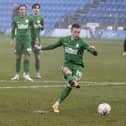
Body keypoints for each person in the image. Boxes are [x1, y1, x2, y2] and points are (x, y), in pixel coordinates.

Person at [35, 24, 98, 113]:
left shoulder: (82, 42)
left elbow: (94, 53)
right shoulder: (64, 40)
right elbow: (53, 45)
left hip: (78, 66)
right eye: (75, 32)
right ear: (71, 31)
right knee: (65, 70)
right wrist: (41, 48)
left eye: (78, 32)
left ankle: (56, 104)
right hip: (67, 64)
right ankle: (72, 81)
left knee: (69, 85)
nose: (77, 34)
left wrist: (94, 50)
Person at [10, 4, 38, 81]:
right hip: (18, 41)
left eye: (24, 9)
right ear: (19, 10)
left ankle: (26, 74)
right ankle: (17, 75)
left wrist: (36, 39)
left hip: (27, 41)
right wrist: (12, 39)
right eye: (21, 9)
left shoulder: (30, 18)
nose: (22, 11)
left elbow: (34, 30)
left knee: (27, 58)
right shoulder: (15, 19)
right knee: (18, 58)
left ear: (26, 10)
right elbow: (13, 30)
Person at [30, 3, 44, 79]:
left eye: (38, 8)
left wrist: (40, 26)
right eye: (35, 8)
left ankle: (37, 73)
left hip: (37, 40)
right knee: (27, 56)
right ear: (32, 9)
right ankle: (27, 74)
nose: (36, 9)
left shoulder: (40, 18)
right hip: (29, 39)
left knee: (37, 57)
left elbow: (42, 28)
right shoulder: (29, 17)